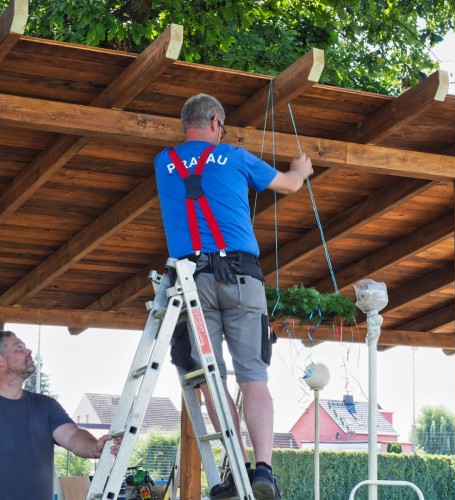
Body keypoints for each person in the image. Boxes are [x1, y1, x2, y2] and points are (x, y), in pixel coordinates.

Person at [154, 93, 313, 500]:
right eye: (221, 127)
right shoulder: (236, 157)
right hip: (243, 278)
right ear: (214, 121)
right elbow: (291, 186)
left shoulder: (164, 162)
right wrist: (300, 168)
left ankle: (238, 468)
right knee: (254, 379)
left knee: (210, 379)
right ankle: (262, 470)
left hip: (191, 282)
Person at [0, 330, 120, 500]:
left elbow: (72, 436)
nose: (29, 351)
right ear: (1, 361)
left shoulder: (45, 405)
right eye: (19, 348)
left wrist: (95, 446)